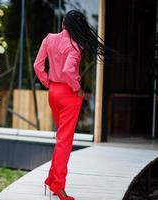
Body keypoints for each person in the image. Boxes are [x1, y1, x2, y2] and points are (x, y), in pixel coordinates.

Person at [33, 10, 106, 200]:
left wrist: (49, 83)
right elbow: (67, 70)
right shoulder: (75, 45)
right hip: (68, 95)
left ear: (64, 24)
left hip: (53, 93)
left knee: (61, 139)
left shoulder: (49, 39)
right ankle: (58, 185)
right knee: (64, 142)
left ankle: (51, 179)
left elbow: (37, 66)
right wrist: (78, 88)